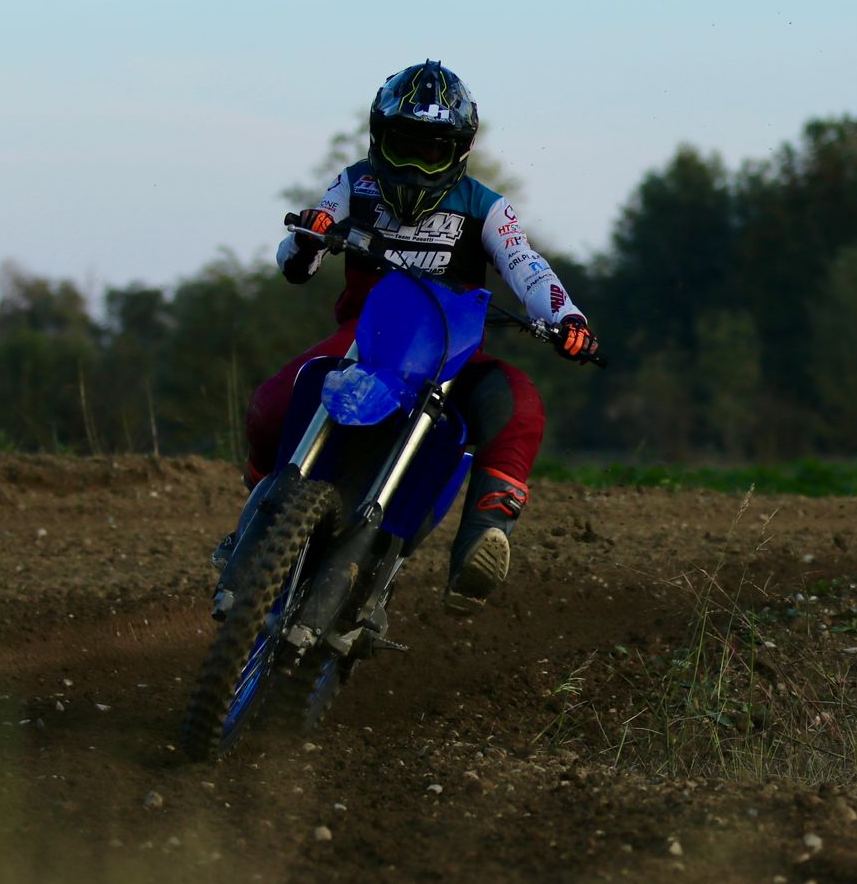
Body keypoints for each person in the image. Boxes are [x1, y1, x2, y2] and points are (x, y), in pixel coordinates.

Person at [224, 60, 599, 614]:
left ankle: (483, 537)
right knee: (273, 402)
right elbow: (295, 258)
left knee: (519, 403)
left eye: (432, 150)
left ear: (459, 151)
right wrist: (310, 235)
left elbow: (527, 267)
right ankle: (254, 520)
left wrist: (569, 319)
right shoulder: (354, 183)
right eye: (403, 146)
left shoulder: (486, 207)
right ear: (380, 138)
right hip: (364, 340)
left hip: (450, 353)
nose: (415, 164)